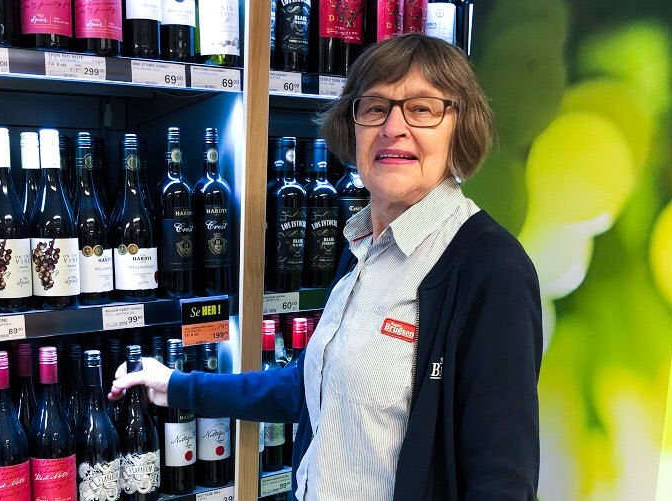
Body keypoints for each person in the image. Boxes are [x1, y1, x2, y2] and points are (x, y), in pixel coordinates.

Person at [108, 34, 542, 501]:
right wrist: (178, 386)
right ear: (351, 128)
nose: (393, 127)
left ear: (461, 128)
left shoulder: (490, 268)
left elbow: (502, 481)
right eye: (374, 107)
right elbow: (312, 384)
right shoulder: (362, 247)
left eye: (422, 109)